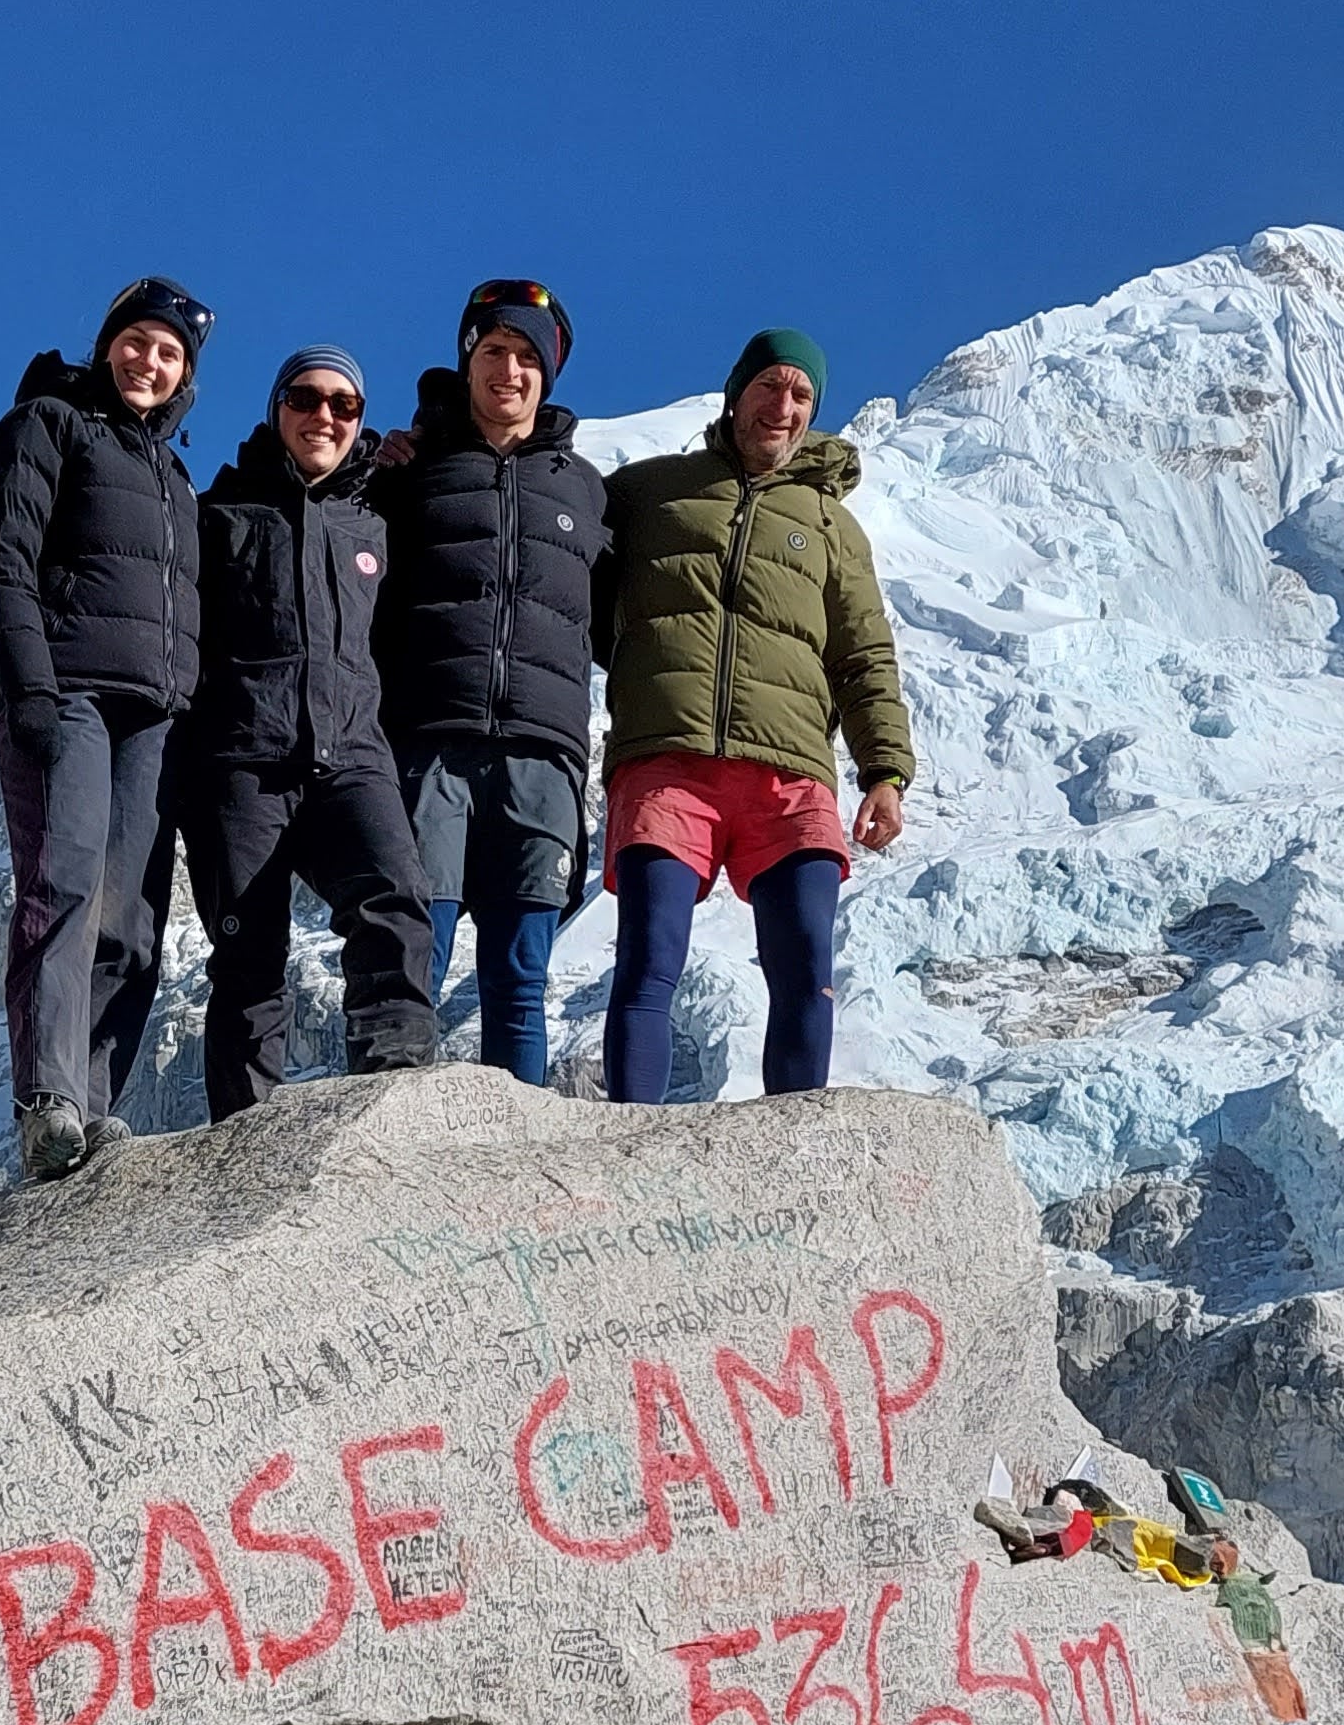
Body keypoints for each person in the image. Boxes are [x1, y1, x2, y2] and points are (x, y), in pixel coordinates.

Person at [591, 328, 912, 1102]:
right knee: (647, 962)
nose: (784, 405)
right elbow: (567, 573)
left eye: (802, 394)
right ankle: (629, 1155)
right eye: (771, 385)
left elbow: (863, 654)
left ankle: (788, 1164)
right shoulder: (647, 492)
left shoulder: (832, 525)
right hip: (667, 759)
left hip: (789, 771)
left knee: (805, 970)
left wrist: (885, 770)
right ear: (737, 392)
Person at [0, 277, 211, 1177]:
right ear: (108, 344)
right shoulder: (46, 424)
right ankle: (49, 1102)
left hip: (154, 713)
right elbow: (1, 559)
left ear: (187, 373)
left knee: (137, 917)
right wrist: (28, 686)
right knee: (63, 884)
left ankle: (96, 1103)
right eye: (137, 342)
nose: (149, 362)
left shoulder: (175, 477)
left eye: (169, 352)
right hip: (65, 691)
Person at [172, 347, 438, 1117]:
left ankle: (393, 1095)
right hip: (241, 765)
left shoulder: (379, 520)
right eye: (305, 398)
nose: (324, 416)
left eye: (344, 406)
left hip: (352, 755)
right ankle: (246, 1138)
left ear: (360, 423)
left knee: (396, 897)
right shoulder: (219, 515)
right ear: (275, 409)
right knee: (249, 958)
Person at [371, 278, 612, 1086]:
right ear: (467, 360)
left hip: (541, 754)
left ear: (547, 379)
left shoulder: (582, 487)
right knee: (414, 961)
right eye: (493, 352)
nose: (508, 371)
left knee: (519, 980)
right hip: (430, 744)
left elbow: (619, 620)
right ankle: (377, 1160)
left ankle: (516, 1174)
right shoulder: (408, 472)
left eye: (525, 359)